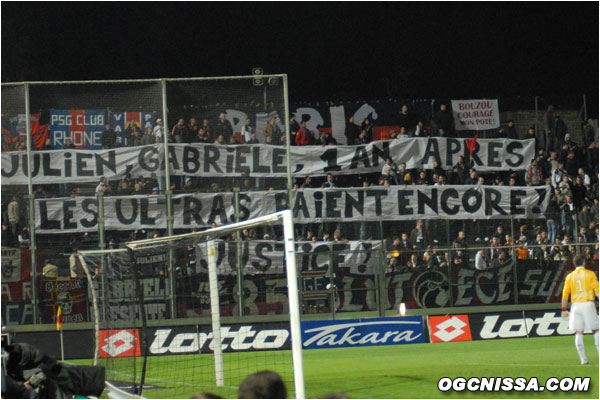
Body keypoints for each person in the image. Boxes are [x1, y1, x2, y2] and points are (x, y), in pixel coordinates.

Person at [561, 254, 599, 365]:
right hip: (588, 304)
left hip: (576, 306)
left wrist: (563, 309)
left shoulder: (570, 276)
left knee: (579, 331)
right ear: (584, 262)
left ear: (574, 263)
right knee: (596, 330)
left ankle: (583, 359)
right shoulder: (590, 274)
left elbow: (565, 294)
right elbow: (597, 290)